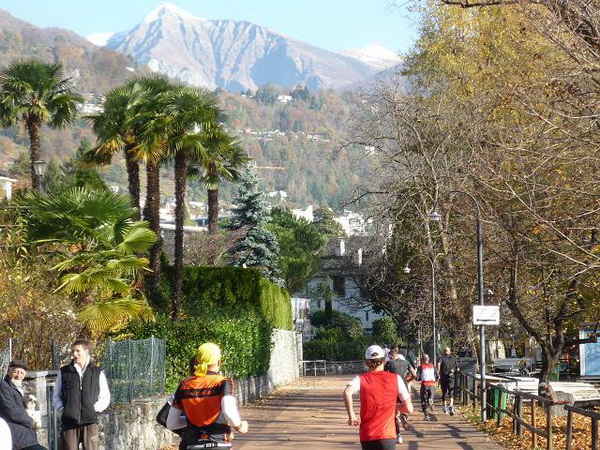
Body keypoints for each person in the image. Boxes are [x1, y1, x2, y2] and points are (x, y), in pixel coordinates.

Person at [167, 342, 248, 449]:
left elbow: (171, 423)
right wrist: (240, 426)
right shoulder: (223, 383)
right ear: (219, 362)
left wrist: (191, 421)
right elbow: (228, 411)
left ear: (197, 362)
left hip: (190, 444)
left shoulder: (184, 385)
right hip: (218, 443)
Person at [344, 345, 414, 449]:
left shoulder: (360, 379)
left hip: (367, 436)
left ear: (366, 363)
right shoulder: (396, 379)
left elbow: (347, 392)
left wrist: (351, 415)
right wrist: (394, 406)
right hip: (387, 436)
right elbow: (409, 408)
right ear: (384, 361)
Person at [52, 339, 111, 450]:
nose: (74, 354)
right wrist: (62, 410)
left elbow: (105, 396)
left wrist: (93, 409)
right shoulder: (64, 372)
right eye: (73, 351)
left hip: (90, 422)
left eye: (78, 351)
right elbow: (56, 395)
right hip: (69, 423)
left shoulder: (97, 372)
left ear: (86, 351)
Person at [0, 360, 46, 450]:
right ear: (8, 371)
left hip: (25, 436)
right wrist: (31, 421)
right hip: (15, 436)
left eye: (22, 373)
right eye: (15, 372)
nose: (18, 375)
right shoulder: (3, 387)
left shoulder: (16, 388)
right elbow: (12, 411)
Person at [384, 348, 417, 439]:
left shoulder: (389, 363)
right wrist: (408, 380)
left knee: (394, 412)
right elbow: (414, 374)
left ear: (390, 356)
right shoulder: (406, 362)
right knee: (402, 406)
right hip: (404, 389)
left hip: (393, 389)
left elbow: (383, 376)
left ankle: (398, 435)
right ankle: (403, 417)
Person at [417, 353, 439, 420]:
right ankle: (430, 400)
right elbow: (438, 376)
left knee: (423, 400)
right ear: (428, 359)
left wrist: (419, 379)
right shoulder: (433, 366)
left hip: (424, 384)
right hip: (432, 384)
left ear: (422, 360)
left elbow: (417, 378)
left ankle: (426, 415)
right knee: (430, 397)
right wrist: (435, 381)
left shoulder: (420, 367)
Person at [437, 347, 459, 415]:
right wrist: (453, 370)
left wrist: (438, 373)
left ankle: (445, 407)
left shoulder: (441, 358)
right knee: (451, 391)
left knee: (444, 392)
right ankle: (451, 405)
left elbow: (438, 364)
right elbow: (457, 368)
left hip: (443, 377)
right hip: (451, 377)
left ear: (444, 352)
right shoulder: (454, 358)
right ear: (450, 352)